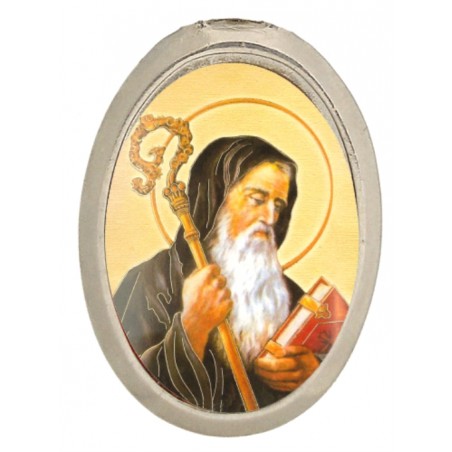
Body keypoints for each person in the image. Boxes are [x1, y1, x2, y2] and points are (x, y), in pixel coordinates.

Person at [113, 136, 319, 412]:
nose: (271, 218)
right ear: (216, 200)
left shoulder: (287, 294)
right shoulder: (151, 282)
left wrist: (311, 373)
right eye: (257, 199)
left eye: (278, 206)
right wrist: (192, 328)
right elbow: (125, 385)